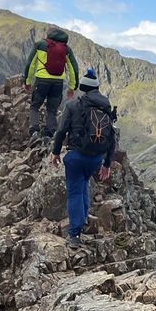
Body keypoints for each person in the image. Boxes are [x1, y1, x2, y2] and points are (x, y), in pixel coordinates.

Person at [51, 69, 117, 247]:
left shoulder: (73, 105)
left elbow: (61, 131)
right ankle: (84, 219)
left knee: (74, 192)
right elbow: (112, 137)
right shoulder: (105, 107)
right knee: (84, 184)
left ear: (82, 87)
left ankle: (74, 234)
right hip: (96, 158)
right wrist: (107, 164)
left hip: (76, 156)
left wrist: (56, 152)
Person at [25, 29, 79, 140]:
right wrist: (72, 87)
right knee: (52, 110)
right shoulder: (66, 49)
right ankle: (48, 135)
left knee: (35, 106)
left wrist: (27, 81)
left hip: (42, 80)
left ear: (49, 35)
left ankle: (34, 132)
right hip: (58, 83)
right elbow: (74, 69)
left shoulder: (40, 44)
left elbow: (30, 64)